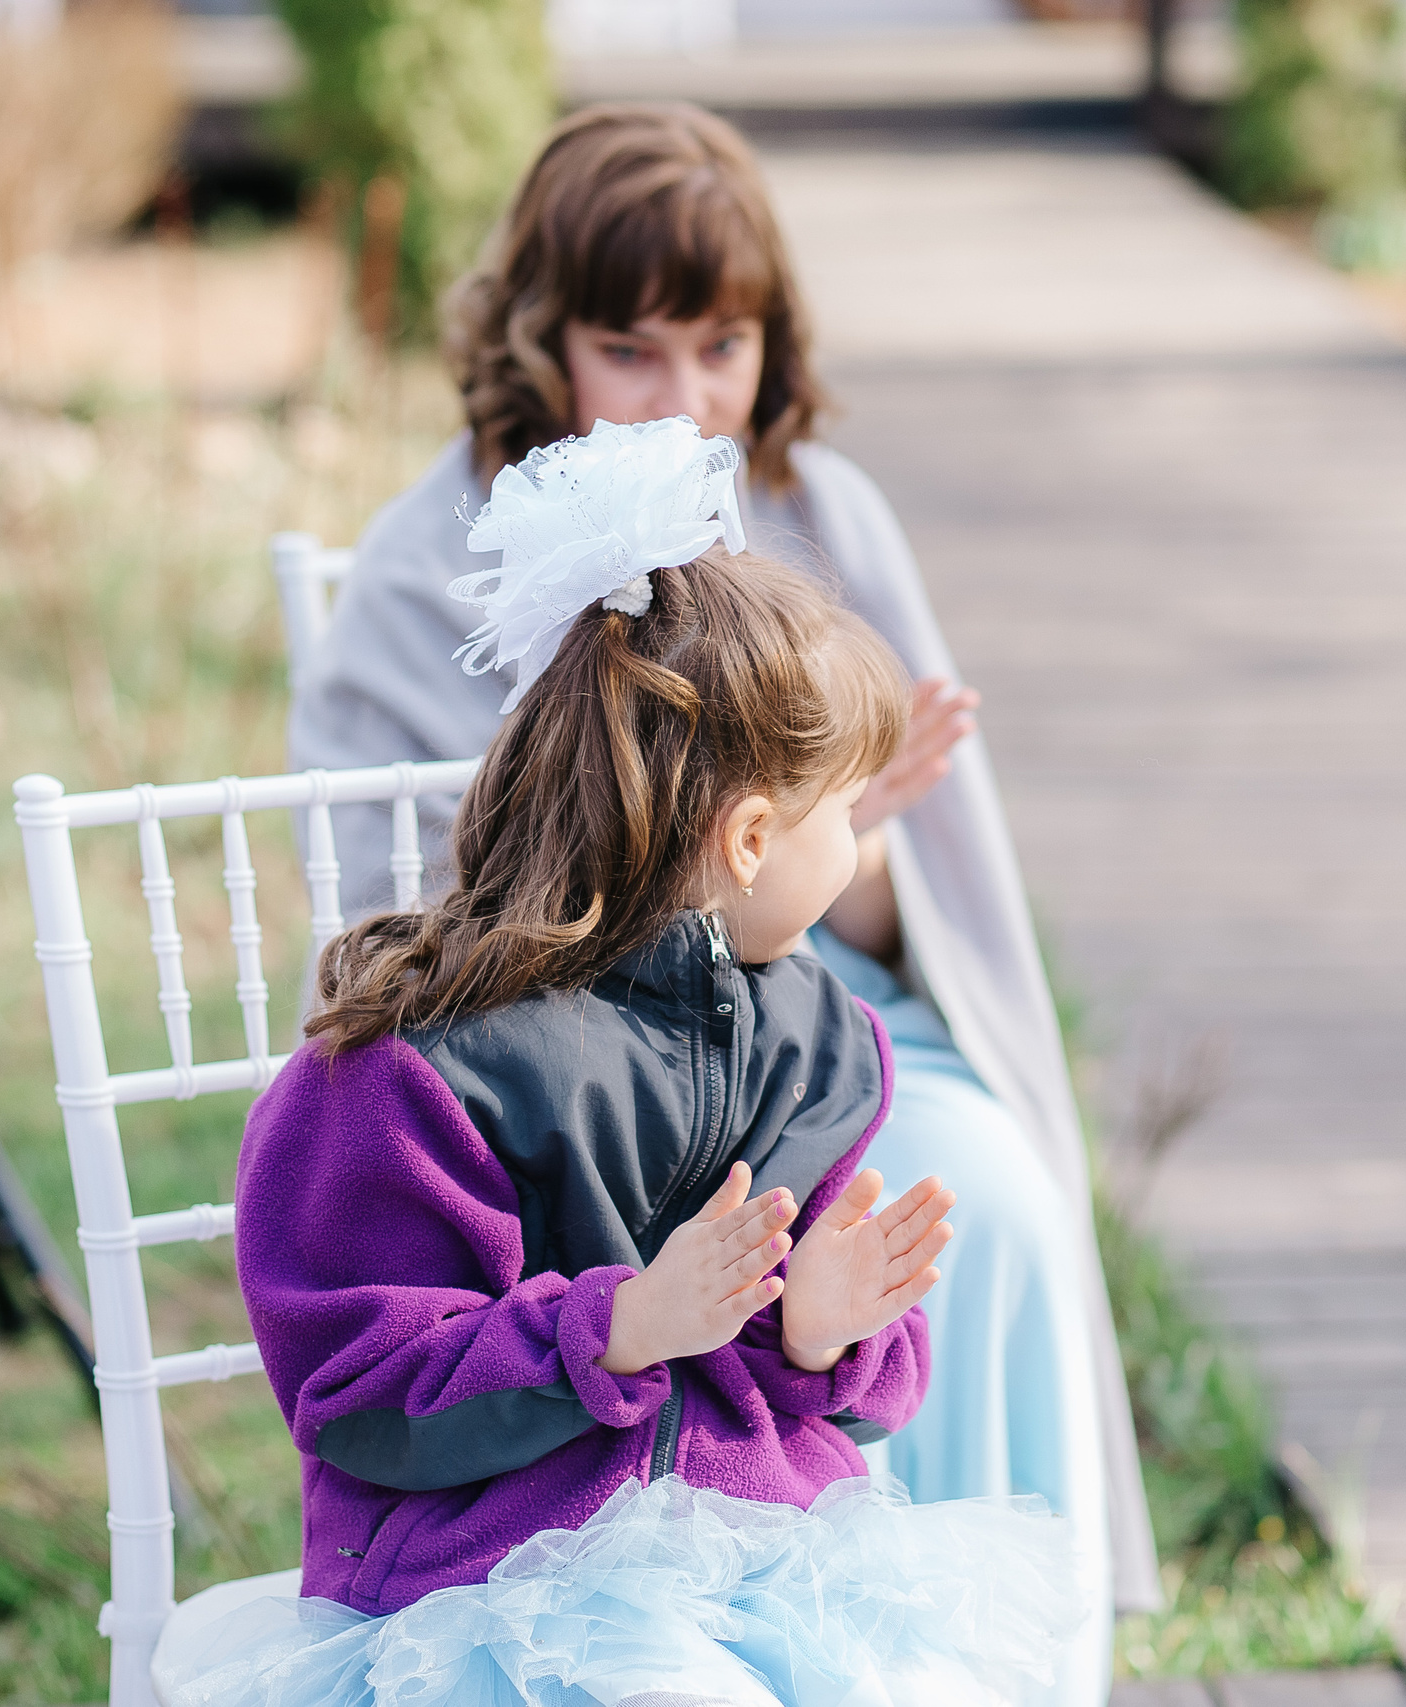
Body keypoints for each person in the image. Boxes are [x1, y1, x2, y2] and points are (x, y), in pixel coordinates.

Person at [288, 103, 1161, 1689]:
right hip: (561, 1065)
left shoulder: (818, 507)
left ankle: (1021, 1652)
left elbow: (900, 932)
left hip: (817, 1015)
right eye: (633, 349)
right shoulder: (442, 565)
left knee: (991, 1202)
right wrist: (661, 839)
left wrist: (862, 839)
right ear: (543, 344)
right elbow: (403, 930)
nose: (684, 402)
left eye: (724, 346)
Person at [175, 419, 1084, 1705]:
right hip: (491, 1587)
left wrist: (817, 1333)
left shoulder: (816, 1047)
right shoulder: (416, 1071)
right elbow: (360, 1392)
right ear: (756, 836)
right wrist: (615, 1328)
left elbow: (837, 1404)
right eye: (847, 811)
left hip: (759, 1554)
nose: (856, 842)